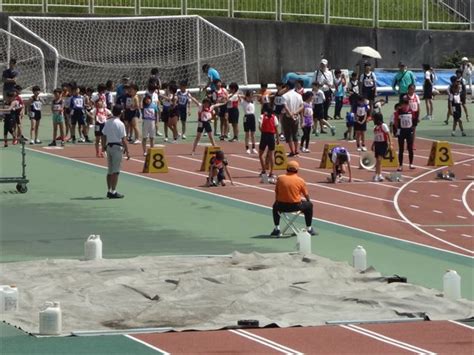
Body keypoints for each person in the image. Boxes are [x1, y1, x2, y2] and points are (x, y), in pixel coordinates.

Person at [270, 160, 317, 237]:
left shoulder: (280, 178)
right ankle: (309, 229)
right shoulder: (300, 180)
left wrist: (277, 202)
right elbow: (306, 195)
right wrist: (308, 202)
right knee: (309, 205)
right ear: (297, 170)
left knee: (275, 206)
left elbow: (277, 192)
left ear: (286, 169)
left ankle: (277, 229)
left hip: (281, 206)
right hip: (296, 206)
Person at [102, 105, 129, 199]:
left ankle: (109, 190)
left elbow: (104, 135)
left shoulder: (107, 122)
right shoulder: (120, 124)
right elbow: (124, 139)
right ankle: (113, 191)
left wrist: (103, 147)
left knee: (109, 170)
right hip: (117, 147)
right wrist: (128, 151)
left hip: (109, 146)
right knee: (116, 171)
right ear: (121, 112)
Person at [393, 96, 416, 171]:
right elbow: (396, 121)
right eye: (404, 104)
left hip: (409, 131)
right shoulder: (398, 112)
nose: (405, 105)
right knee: (401, 148)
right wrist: (397, 129)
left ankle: (411, 163)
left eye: (407, 104)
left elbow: (413, 120)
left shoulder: (411, 111)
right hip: (401, 131)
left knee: (410, 148)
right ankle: (400, 165)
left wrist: (412, 129)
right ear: (401, 104)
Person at [282, 82, 303, 156]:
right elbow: (302, 106)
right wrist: (295, 113)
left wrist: (290, 114)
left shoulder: (285, 96)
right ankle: (296, 150)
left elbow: (285, 106)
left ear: (287, 87)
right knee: (295, 134)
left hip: (287, 116)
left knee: (288, 135)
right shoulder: (298, 95)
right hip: (296, 116)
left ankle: (292, 151)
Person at [258, 106, 280, 178]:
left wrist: (263, 131)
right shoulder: (274, 117)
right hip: (271, 136)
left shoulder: (262, 116)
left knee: (261, 154)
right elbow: (276, 128)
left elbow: (260, 127)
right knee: (271, 155)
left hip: (264, 135)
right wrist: (277, 138)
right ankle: (271, 172)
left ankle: (264, 170)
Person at [371, 113, 393, 182]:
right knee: (378, 160)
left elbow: (388, 134)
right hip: (377, 144)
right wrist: (373, 144)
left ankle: (378, 175)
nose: (373, 120)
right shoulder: (375, 128)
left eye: (374, 118)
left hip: (383, 144)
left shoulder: (383, 126)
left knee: (379, 159)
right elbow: (375, 137)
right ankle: (378, 174)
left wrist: (390, 143)